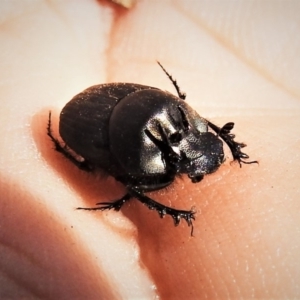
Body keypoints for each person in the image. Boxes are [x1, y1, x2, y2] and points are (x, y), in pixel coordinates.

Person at [0, 1, 299, 298]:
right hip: (95, 125)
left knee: (137, 179)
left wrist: (228, 144)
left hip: (134, 109)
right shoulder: (144, 162)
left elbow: (193, 123)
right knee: (128, 183)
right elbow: (133, 183)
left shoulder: (179, 117)